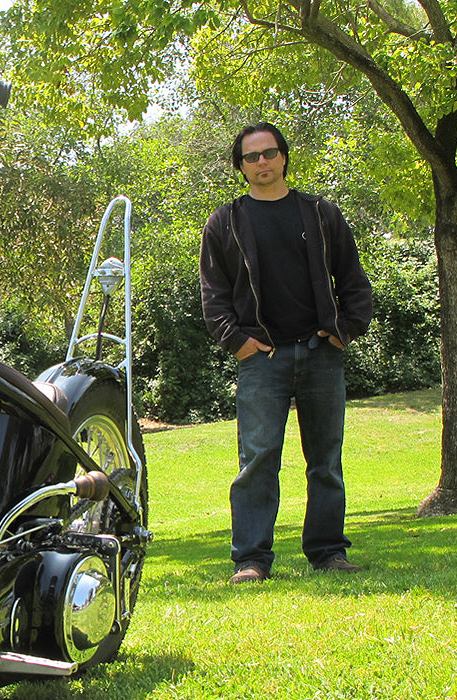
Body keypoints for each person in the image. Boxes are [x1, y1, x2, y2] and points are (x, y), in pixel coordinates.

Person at [199, 122, 373, 584]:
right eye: (251, 157)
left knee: (326, 461)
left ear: (283, 157)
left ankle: (328, 552)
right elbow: (212, 296)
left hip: (320, 353)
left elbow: (353, 281)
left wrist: (344, 331)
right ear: (240, 166)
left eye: (269, 153)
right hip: (262, 359)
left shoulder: (320, 214)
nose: (262, 163)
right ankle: (252, 560)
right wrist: (239, 344)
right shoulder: (226, 222)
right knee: (257, 461)